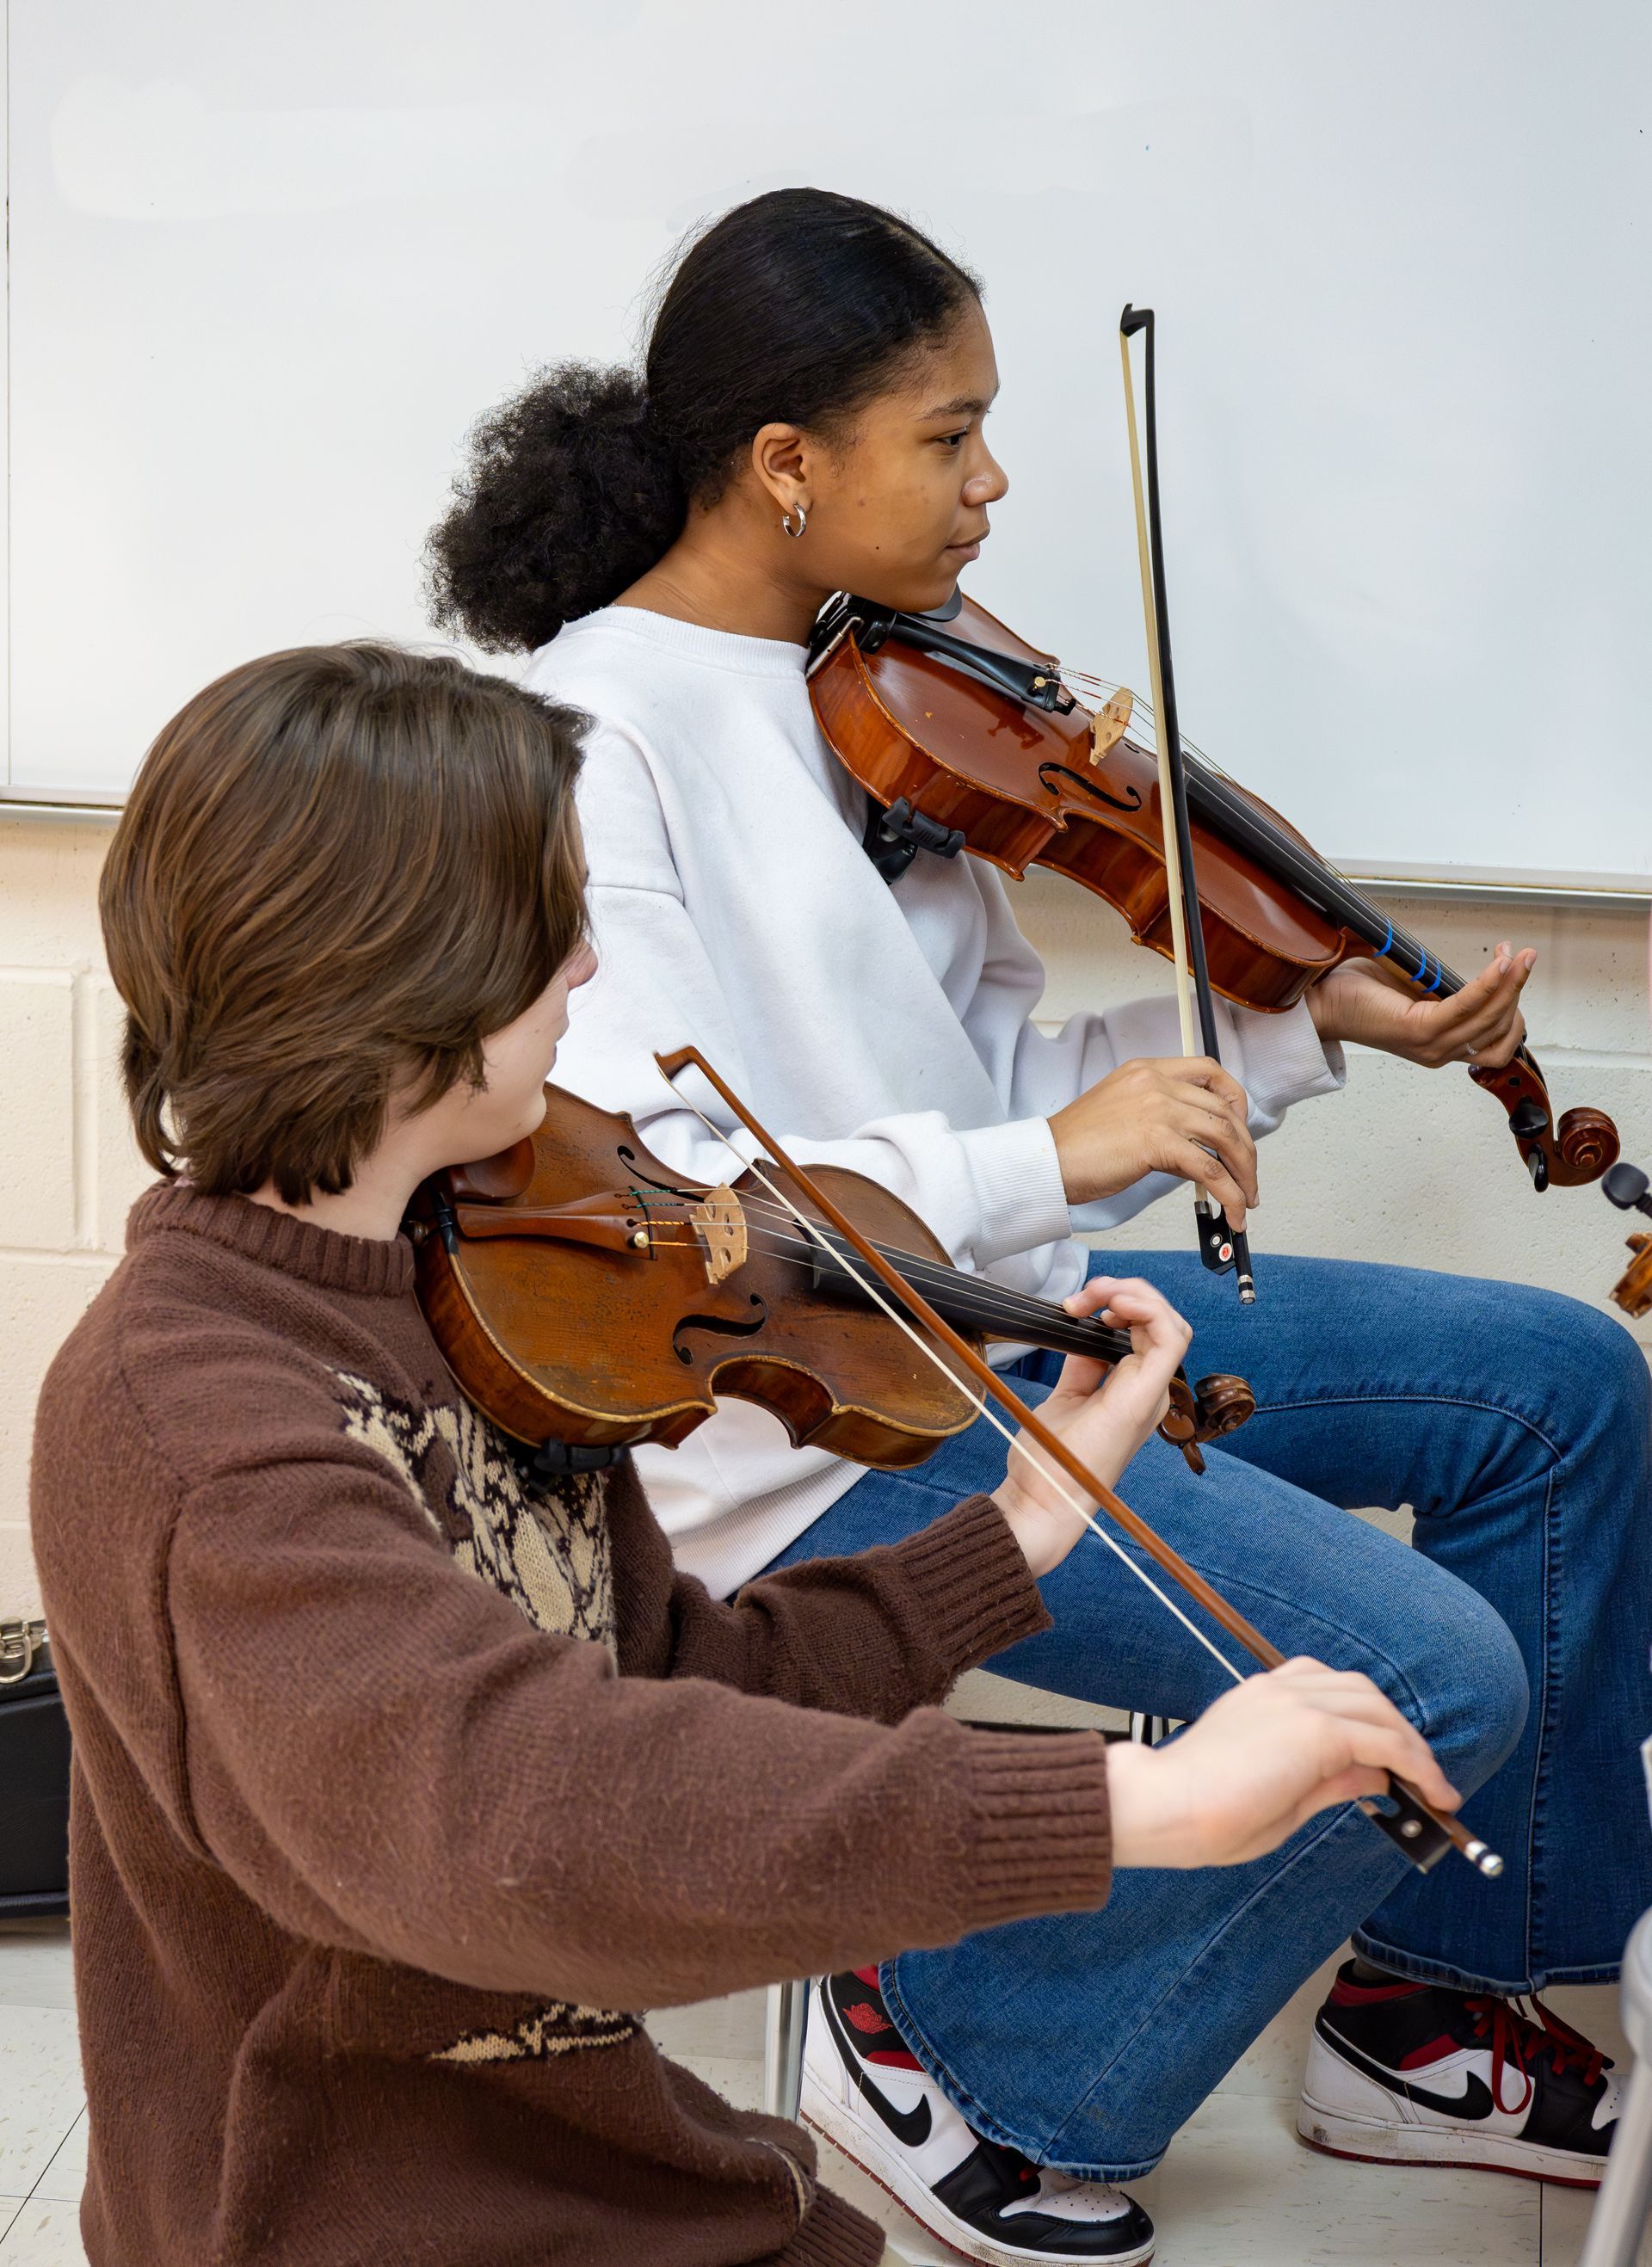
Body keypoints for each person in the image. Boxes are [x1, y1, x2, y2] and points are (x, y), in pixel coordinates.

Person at [428, 187, 1649, 2261]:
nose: (995, 484)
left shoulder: (875, 699)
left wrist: (1298, 1013)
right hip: (809, 1418)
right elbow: (675, 1191)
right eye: (950, 434)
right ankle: (971, 2040)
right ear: (785, 463)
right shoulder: (590, 737)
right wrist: (1060, 1157)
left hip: (992, 1309)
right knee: (1427, 1669)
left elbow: (992, 1083)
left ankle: (1426, 1999)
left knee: (1563, 1387)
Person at [30, 641, 1458, 2267]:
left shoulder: (478, 1290)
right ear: (395, 975)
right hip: (368, 2215)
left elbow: (662, 1688)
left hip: (612, 2162)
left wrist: (1021, 1525)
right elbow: (528, 1818)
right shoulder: (198, 1420)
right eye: (541, 923)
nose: (584, 965)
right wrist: (1131, 1801)